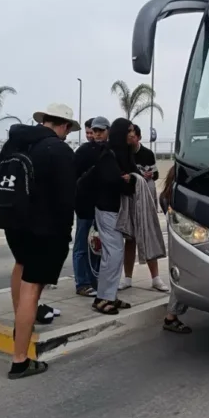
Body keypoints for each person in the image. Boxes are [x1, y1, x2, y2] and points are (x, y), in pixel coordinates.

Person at [0, 104, 78, 380]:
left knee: (20, 267)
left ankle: (19, 325)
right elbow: (69, 197)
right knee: (32, 288)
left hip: (13, 222)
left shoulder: (14, 144)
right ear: (64, 126)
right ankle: (20, 360)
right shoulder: (59, 151)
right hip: (44, 229)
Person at [91, 118, 136, 315]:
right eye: (129, 131)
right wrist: (126, 180)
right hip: (107, 208)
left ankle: (109, 295)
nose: (132, 135)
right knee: (114, 253)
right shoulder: (108, 154)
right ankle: (102, 299)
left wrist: (129, 179)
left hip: (117, 209)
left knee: (115, 254)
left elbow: (129, 181)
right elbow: (114, 182)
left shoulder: (123, 154)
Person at [119, 124, 168, 292]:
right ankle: (127, 278)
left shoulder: (147, 153)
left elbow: (156, 175)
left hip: (145, 198)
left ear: (138, 137)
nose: (129, 138)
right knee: (130, 239)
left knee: (148, 235)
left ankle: (155, 278)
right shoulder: (122, 153)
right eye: (128, 135)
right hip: (129, 199)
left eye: (132, 135)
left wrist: (148, 175)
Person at [72, 116, 109, 296]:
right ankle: (82, 283)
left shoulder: (110, 152)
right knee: (81, 246)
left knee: (97, 247)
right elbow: (73, 179)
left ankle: (96, 281)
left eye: (101, 131)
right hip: (85, 207)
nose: (97, 134)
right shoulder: (83, 151)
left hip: (103, 208)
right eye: (94, 131)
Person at [158, 164, 191, 334]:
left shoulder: (166, 195)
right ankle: (171, 317)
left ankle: (172, 315)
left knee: (180, 277)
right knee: (184, 278)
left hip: (176, 241)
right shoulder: (180, 198)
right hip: (187, 241)